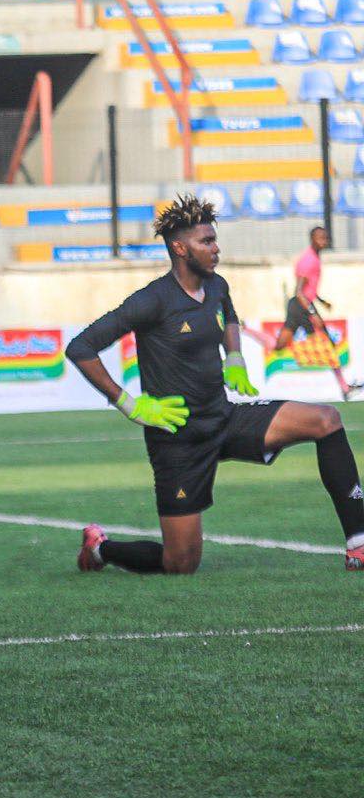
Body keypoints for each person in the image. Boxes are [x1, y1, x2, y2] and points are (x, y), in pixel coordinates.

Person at [65, 194, 364, 576]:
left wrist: (234, 356)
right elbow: (81, 347)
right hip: (178, 439)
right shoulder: (151, 300)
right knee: (180, 563)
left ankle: (358, 545)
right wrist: (129, 403)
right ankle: (99, 549)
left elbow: (230, 316)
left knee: (326, 419)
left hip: (223, 418)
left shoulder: (217, 285)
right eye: (206, 241)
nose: (216, 248)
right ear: (180, 248)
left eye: (214, 239)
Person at [241, 227, 361, 399]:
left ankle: (246, 329)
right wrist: (312, 313)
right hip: (302, 307)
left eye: (325, 238)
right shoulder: (308, 260)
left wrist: (321, 301)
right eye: (320, 238)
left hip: (298, 306)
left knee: (279, 345)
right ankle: (345, 388)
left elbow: (307, 289)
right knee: (328, 343)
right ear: (312, 239)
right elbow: (299, 291)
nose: (324, 241)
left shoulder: (314, 258)